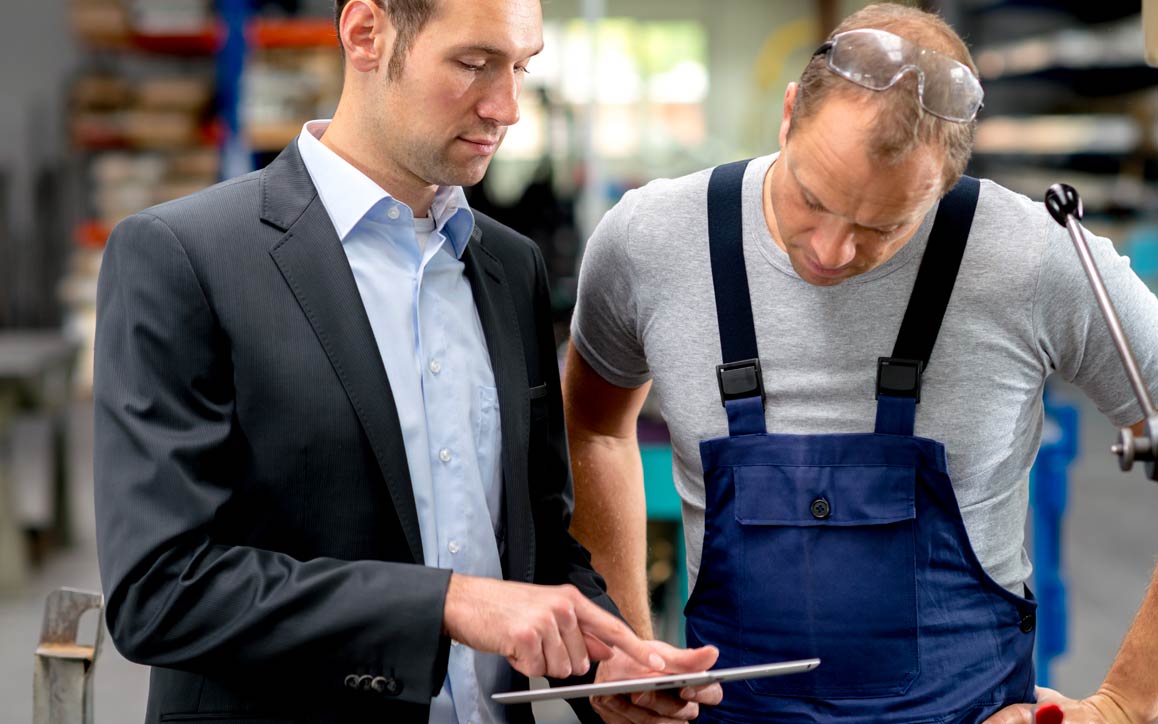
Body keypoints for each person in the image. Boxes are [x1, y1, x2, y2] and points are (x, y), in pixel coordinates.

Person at [92, 1, 721, 722]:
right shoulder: (186, 259)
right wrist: (447, 604)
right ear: (366, 33)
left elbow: (539, 538)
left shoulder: (507, 268)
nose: (507, 106)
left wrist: (607, 663)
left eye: (521, 66)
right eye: (474, 64)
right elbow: (162, 590)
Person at [565, 4, 1158, 723]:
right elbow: (592, 427)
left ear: (943, 185)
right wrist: (624, 647)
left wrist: (1128, 702)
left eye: (883, 227)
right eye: (810, 200)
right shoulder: (650, 242)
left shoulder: (1032, 258)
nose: (831, 251)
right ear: (789, 115)